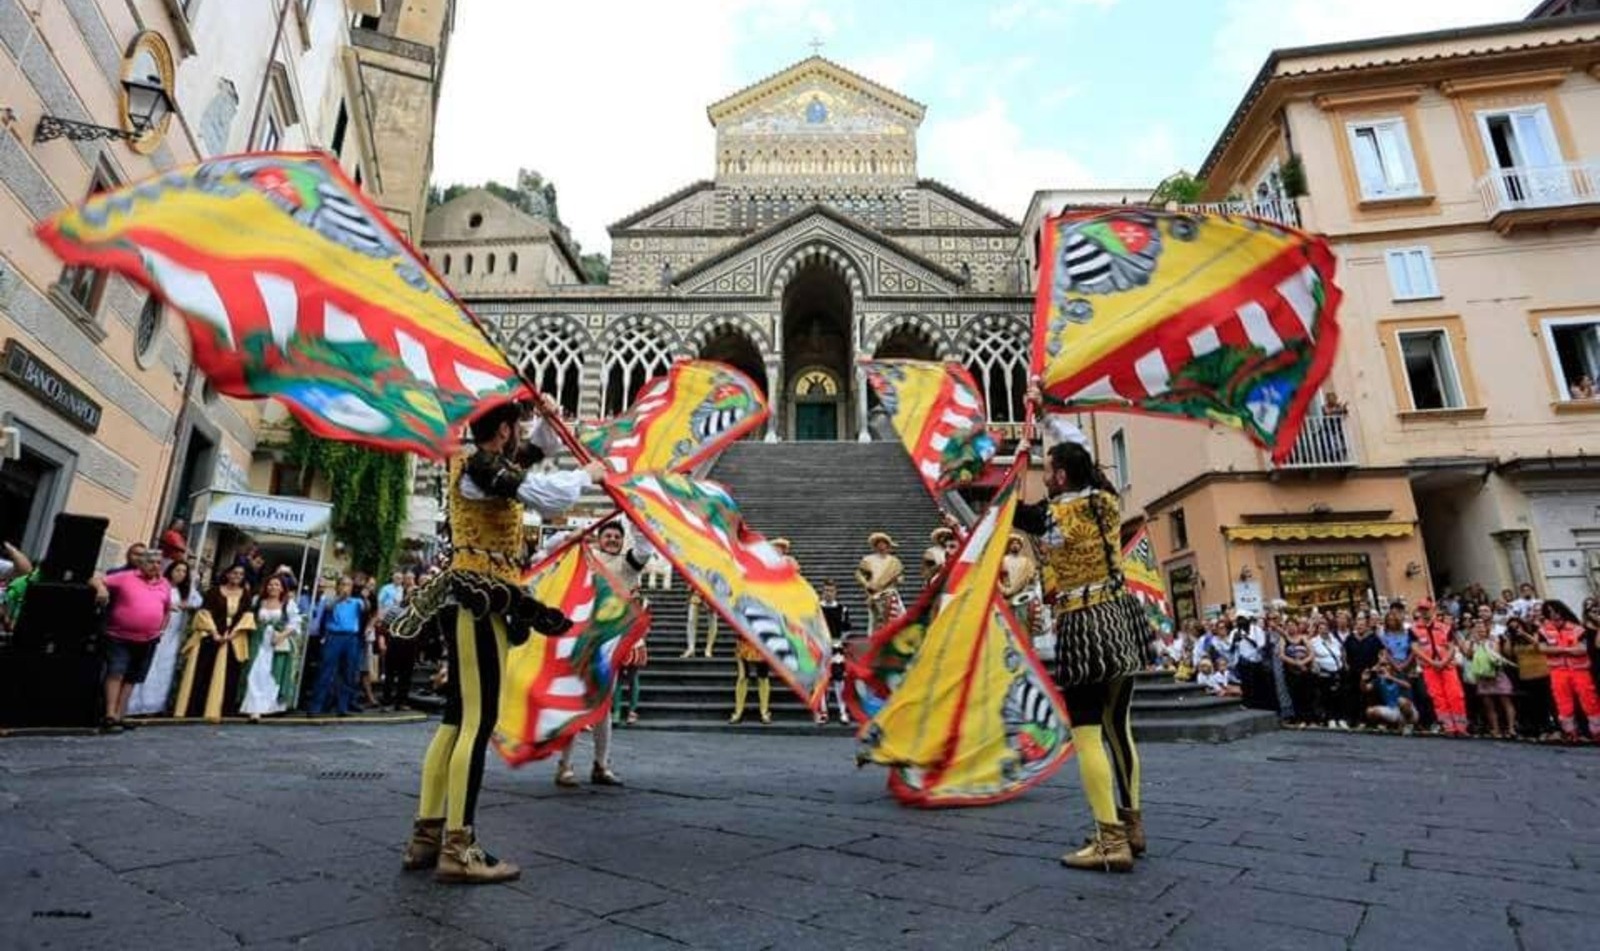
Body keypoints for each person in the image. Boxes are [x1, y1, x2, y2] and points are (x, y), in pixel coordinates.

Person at [394, 397, 599, 885]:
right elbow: (544, 495)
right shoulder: (480, 468)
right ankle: (458, 845)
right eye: (517, 426)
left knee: (456, 720)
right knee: (476, 722)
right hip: (479, 599)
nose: (520, 433)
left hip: (477, 597)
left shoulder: (485, 463)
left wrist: (550, 418)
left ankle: (427, 835)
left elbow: (530, 457)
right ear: (504, 430)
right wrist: (586, 476)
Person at [1014, 409, 1152, 874]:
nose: (1045, 475)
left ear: (1061, 475)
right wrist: (1045, 413)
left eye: (1049, 469)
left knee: (1088, 733)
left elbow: (1015, 515)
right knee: (1121, 729)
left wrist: (1004, 481)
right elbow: (1079, 445)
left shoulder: (1054, 513)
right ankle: (1132, 826)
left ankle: (1109, 837)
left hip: (1083, 624)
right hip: (1122, 616)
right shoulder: (1108, 501)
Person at [557, 521, 652, 787]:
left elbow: (644, 550)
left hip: (609, 644)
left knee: (602, 707)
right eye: (607, 536)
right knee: (575, 705)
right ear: (599, 539)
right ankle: (564, 766)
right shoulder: (584, 558)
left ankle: (601, 765)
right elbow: (552, 551)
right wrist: (570, 535)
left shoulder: (627, 564)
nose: (612, 540)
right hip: (582, 641)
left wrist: (636, 522)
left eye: (616, 536)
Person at [90, 547, 173, 732]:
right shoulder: (126, 577)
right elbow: (95, 578)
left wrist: (161, 628)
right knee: (116, 672)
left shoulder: (164, 583)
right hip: (119, 635)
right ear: (141, 563)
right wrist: (101, 588)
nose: (155, 566)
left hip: (148, 638)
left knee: (132, 678)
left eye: (158, 563)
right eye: (150, 562)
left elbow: (167, 608)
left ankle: (121, 714)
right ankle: (110, 714)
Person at [174, 563, 255, 723]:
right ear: (227, 574)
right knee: (204, 671)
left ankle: (221, 710)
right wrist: (215, 633)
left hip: (233, 638)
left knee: (229, 674)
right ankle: (197, 709)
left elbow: (247, 616)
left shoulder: (245, 594)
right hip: (211, 636)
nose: (237, 577)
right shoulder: (213, 591)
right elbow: (204, 613)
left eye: (240, 574)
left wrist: (232, 634)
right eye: (234, 573)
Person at [126, 560, 204, 717]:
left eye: (183, 571)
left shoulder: (187, 590)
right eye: (177, 570)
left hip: (174, 633)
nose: (180, 574)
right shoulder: (161, 585)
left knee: (165, 666)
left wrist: (187, 605)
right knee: (149, 664)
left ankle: (155, 704)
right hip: (156, 629)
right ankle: (135, 704)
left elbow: (198, 602)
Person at [241, 575, 302, 721]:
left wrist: (282, 635)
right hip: (258, 641)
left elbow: (295, 623)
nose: (273, 587)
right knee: (255, 672)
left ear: (282, 588)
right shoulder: (258, 601)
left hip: (276, 642)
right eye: (270, 584)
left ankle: (268, 706)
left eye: (276, 585)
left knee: (271, 673)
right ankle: (254, 708)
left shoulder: (288, 604)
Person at [1538, 599, 1599, 741]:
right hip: (1558, 671)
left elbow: (1582, 650)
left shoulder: (1577, 628)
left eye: (1556, 611)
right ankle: (1570, 732)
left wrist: (1557, 650)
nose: (1554, 615)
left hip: (1579, 669)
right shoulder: (1544, 630)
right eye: (1550, 612)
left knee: (1590, 700)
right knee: (1563, 702)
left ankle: (1596, 731)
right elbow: (1542, 649)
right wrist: (1568, 649)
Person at [310, 576, 368, 717]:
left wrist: (364, 596)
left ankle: (343, 707)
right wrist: (340, 598)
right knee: (325, 671)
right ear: (338, 586)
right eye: (343, 584)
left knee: (348, 673)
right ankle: (316, 707)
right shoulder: (330, 600)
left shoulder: (356, 602)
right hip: (334, 637)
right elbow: (328, 607)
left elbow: (366, 607)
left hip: (351, 638)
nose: (346, 588)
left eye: (348, 585)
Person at [1414, 599, 1467, 736]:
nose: (1424, 612)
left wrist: (1443, 662)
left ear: (1433, 610)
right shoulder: (1414, 629)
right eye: (1422, 609)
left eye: (1426, 609)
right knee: (1438, 697)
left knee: (1455, 695)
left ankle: (1461, 728)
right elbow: (1415, 649)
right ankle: (1448, 727)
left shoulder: (1445, 627)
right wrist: (1432, 662)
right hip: (1429, 668)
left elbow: (1451, 647)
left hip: (1447, 666)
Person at [1505, 616, 1555, 739]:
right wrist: (1509, 638)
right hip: (1526, 676)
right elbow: (1508, 654)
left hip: (1542, 673)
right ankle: (1536, 729)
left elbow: (1539, 646)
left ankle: (1548, 729)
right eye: (1512, 627)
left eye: (1517, 626)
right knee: (1532, 705)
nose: (1515, 629)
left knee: (1546, 703)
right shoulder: (1514, 640)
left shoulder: (1535, 633)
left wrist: (1524, 634)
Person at [1466, 619, 1516, 738]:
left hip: (1496, 674)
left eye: (1483, 630)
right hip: (1482, 676)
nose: (1480, 632)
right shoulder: (1471, 642)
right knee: (1488, 704)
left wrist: (1484, 644)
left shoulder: (1494, 640)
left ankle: (1511, 728)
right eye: (1478, 630)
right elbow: (1468, 656)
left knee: (1505, 701)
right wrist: (1473, 643)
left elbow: (1496, 655)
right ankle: (1495, 729)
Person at [817, 579, 853, 725]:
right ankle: (823, 712)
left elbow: (846, 629)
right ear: (823, 591)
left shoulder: (842, 609)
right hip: (821, 647)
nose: (828, 593)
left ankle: (842, 711)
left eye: (831, 590)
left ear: (835, 592)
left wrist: (837, 641)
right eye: (826, 590)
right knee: (822, 681)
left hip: (836, 647)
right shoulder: (817, 608)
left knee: (839, 680)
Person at [856, 532, 905, 633]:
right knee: (874, 619)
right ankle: (873, 640)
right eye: (879, 543)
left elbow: (900, 576)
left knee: (893, 617)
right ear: (875, 545)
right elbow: (859, 574)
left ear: (888, 545)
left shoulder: (894, 561)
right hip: (874, 593)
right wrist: (866, 584)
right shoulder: (868, 559)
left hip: (889, 592)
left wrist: (899, 580)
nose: (881, 546)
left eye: (884, 543)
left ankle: (889, 638)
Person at [685, 590, 719, 658]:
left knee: (713, 620)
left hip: (711, 592)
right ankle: (691, 647)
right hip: (697, 590)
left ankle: (709, 647)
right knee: (691, 619)